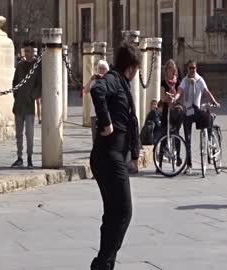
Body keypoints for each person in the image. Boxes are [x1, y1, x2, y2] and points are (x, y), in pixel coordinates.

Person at [89, 42, 141, 270]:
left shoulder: (122, 83)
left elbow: (132, 121)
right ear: (131, 67)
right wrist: (106, 122)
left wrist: (135, 153)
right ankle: (102, 264)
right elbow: (96, 90)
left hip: (110, 156)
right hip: (108, 156)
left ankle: (104, 264)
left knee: (113, 213)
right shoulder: (113, 78)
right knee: (124, 212)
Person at [176, 60, 220, 174]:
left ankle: (210, 139)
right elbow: (179, 91)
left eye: (194, 68)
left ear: (196, 69)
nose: (192, 70)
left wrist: (214, 101)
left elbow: (206, 92)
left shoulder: (200, 80)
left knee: (206, 117)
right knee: (188, 140)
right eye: (190, 68)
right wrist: (175, 98)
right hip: (188, 112)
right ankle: (189, 165)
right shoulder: (185, 81)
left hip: (196, 110)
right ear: (187, 69)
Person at [11, 41, 41, 169]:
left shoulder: (37, 66)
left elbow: (39, 85)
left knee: (29, 133)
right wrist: (16, 94)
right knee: (18, 133)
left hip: (29, 105)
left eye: (30, 51)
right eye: (26, 51)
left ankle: (29, 157)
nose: (28, 54)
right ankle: (19, 157)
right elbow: (15, 81)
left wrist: (32, 96)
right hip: (18, 105)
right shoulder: (19, 65)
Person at [85, 60, 109, 143]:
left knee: (106, 135)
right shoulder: (94, 81)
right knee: (95, 135)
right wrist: (91, 79)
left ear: (107, 70)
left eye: (104, 68)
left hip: (106, 113)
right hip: (94, 112)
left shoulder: (109, 80)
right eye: (100, 68)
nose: (102, 70)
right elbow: (85, 90)